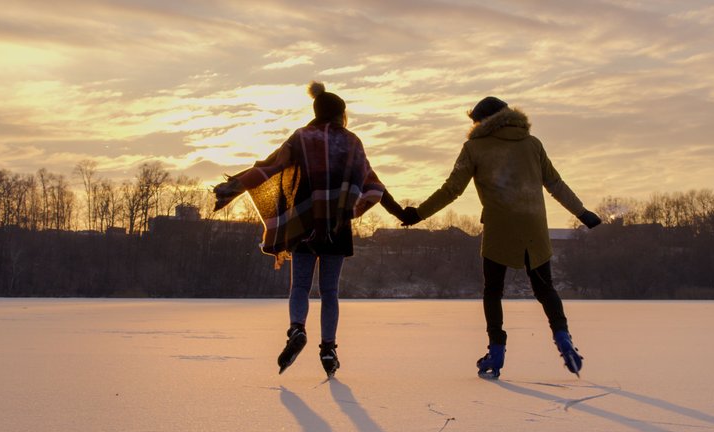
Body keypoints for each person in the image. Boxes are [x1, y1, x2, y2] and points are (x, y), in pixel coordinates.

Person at [213, 81, 405, 377]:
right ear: (341, 113)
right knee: (330, 291)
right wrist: (401, 213)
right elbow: (373, 182)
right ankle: (328, 349)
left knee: (300, 286)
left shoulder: (301, 138)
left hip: (305, 224)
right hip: (336, 225)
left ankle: (296, 330)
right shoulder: (352, 141)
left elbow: (271, 165)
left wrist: (236, 186)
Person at [401, 96, 602, 378]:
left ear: (481, 122)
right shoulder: (533, 145)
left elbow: (452, 189)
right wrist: (582, 213)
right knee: (546, 289)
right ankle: (562, 336)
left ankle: (496, 349)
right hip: (533, 228)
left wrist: (418, 214)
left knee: (493, 291)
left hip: (499, 228)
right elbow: (555, 184)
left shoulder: (474, 148)